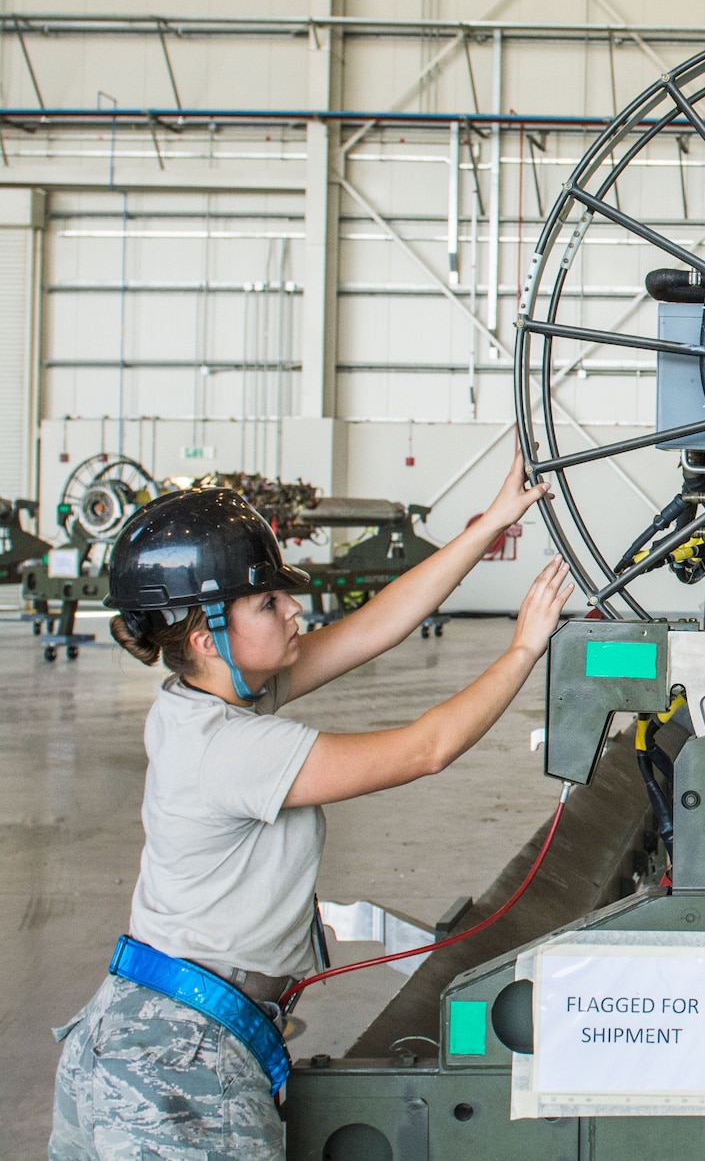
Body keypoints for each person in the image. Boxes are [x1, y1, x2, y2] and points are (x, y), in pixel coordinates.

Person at [49, 454, 572, 1161]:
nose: (294, 607)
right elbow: (426, 749)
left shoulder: (202, 699)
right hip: (176, 1073)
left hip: (158, 1039)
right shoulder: (231, 750)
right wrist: (523, 648)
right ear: (207, 635)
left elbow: (374, 626)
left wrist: (489, 525)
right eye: (267, 602)